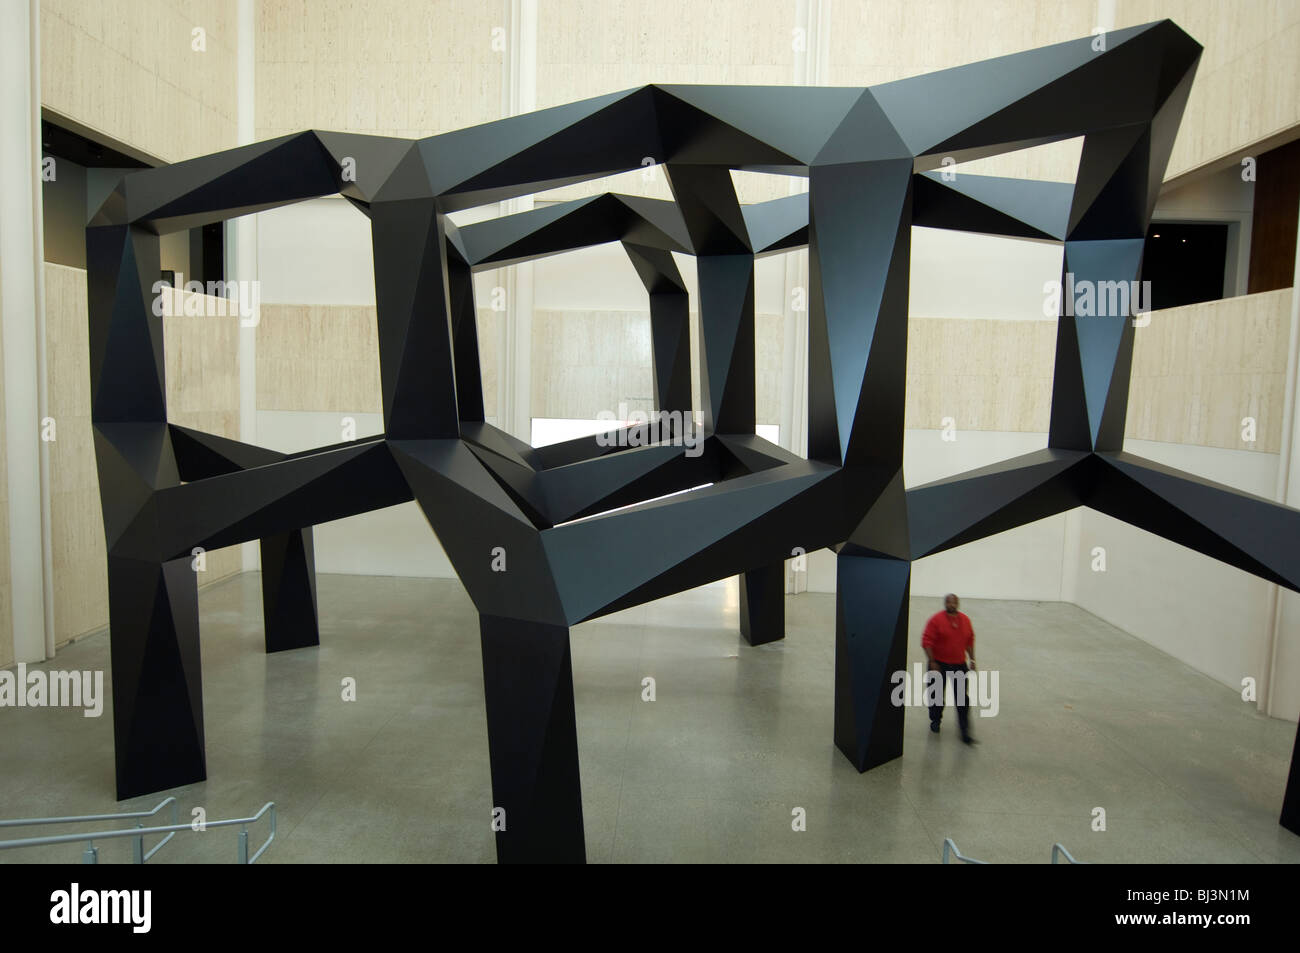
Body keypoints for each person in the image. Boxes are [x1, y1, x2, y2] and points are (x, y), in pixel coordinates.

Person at [921, 593, 978, 745]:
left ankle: (965, 732)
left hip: (959, 665)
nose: (951, 605)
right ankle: (935, 720)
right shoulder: (936, 620)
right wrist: (932, 661)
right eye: (949, 602)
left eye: (954, 602)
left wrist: (972, 659)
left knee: (962, 700)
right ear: (945, 603)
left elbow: (970, 640)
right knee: (936, 697)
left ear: (958, 604)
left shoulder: (965, 620)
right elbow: (926, 640)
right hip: (938, 664)